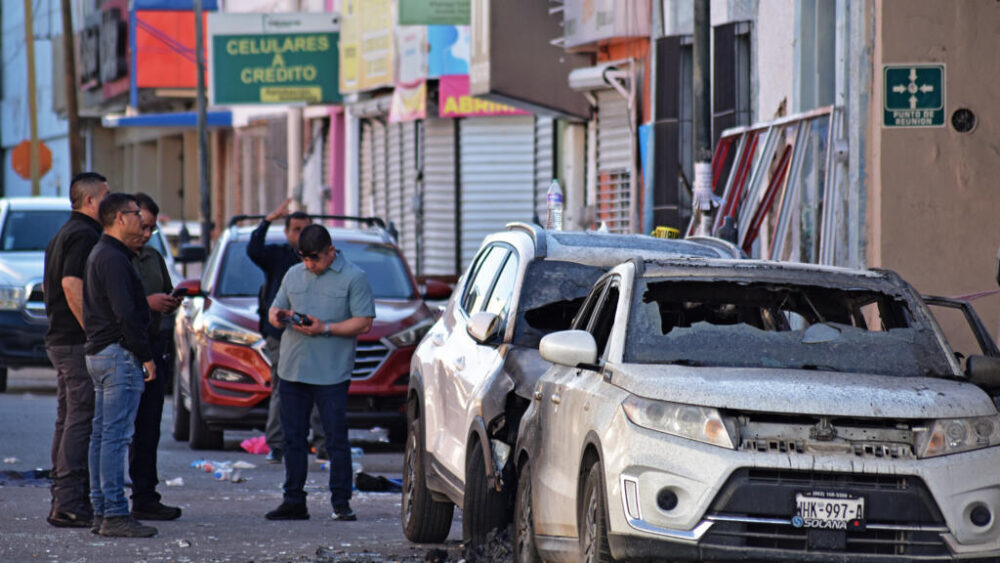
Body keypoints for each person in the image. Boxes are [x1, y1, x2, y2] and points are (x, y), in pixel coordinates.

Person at [264, 224, 374, 522]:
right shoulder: (293, 274)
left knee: (335, 439)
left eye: (315, 259)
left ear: (331, 251)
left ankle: (341, 501)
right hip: (292, 368)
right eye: (304, 259)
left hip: (331, 372)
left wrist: (324, 328)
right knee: (292, 438)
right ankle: (293, 500)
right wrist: (278, 316)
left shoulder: (354, 277)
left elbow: (364, 322)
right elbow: (276, 310)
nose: (309, 265)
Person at [83, 193, 158, 538]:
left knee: (103, 434)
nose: (140, 220)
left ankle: (103, 509)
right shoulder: (111, 257)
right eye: (134, 213)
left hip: (103, 353)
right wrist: (144, 355)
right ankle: (113, 512)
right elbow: (125, 312)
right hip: (116, 355)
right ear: (117, 218)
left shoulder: (108, 253)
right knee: (114, 436)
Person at [43, 172, 109, 528]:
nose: (110, 203)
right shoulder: (83, 234)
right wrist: (95, 333)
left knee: (68, 418)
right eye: (106, 196)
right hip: (74, 341)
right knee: (80, 419)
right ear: (90, 201)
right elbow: (71, 284)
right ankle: (68, 503)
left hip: (61, 338)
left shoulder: (62, 233)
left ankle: (64, 499)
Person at [246, 198, 325, 463]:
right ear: (287, 232)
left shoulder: (324, 260)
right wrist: (268, 219)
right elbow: (254, 250)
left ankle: (322, 443)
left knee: (320, 386)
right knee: (283, 387)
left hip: (315, 334)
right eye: (296, 229)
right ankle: (278, 444)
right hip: (281, 336)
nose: (301, 235)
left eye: (306, 229)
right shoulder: (278, 256)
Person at [127, 193, 182, 521]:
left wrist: (169, 303)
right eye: (142, 226)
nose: (146, 234)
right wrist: (148, 302)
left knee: (148, 430)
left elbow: (165, 290)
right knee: (116, 430)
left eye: (151, 229)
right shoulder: (112, 257)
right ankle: (101, 499)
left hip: (154, 349)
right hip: (123, 351)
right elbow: (111, 304)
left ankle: (145, 496)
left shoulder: (152, 257)